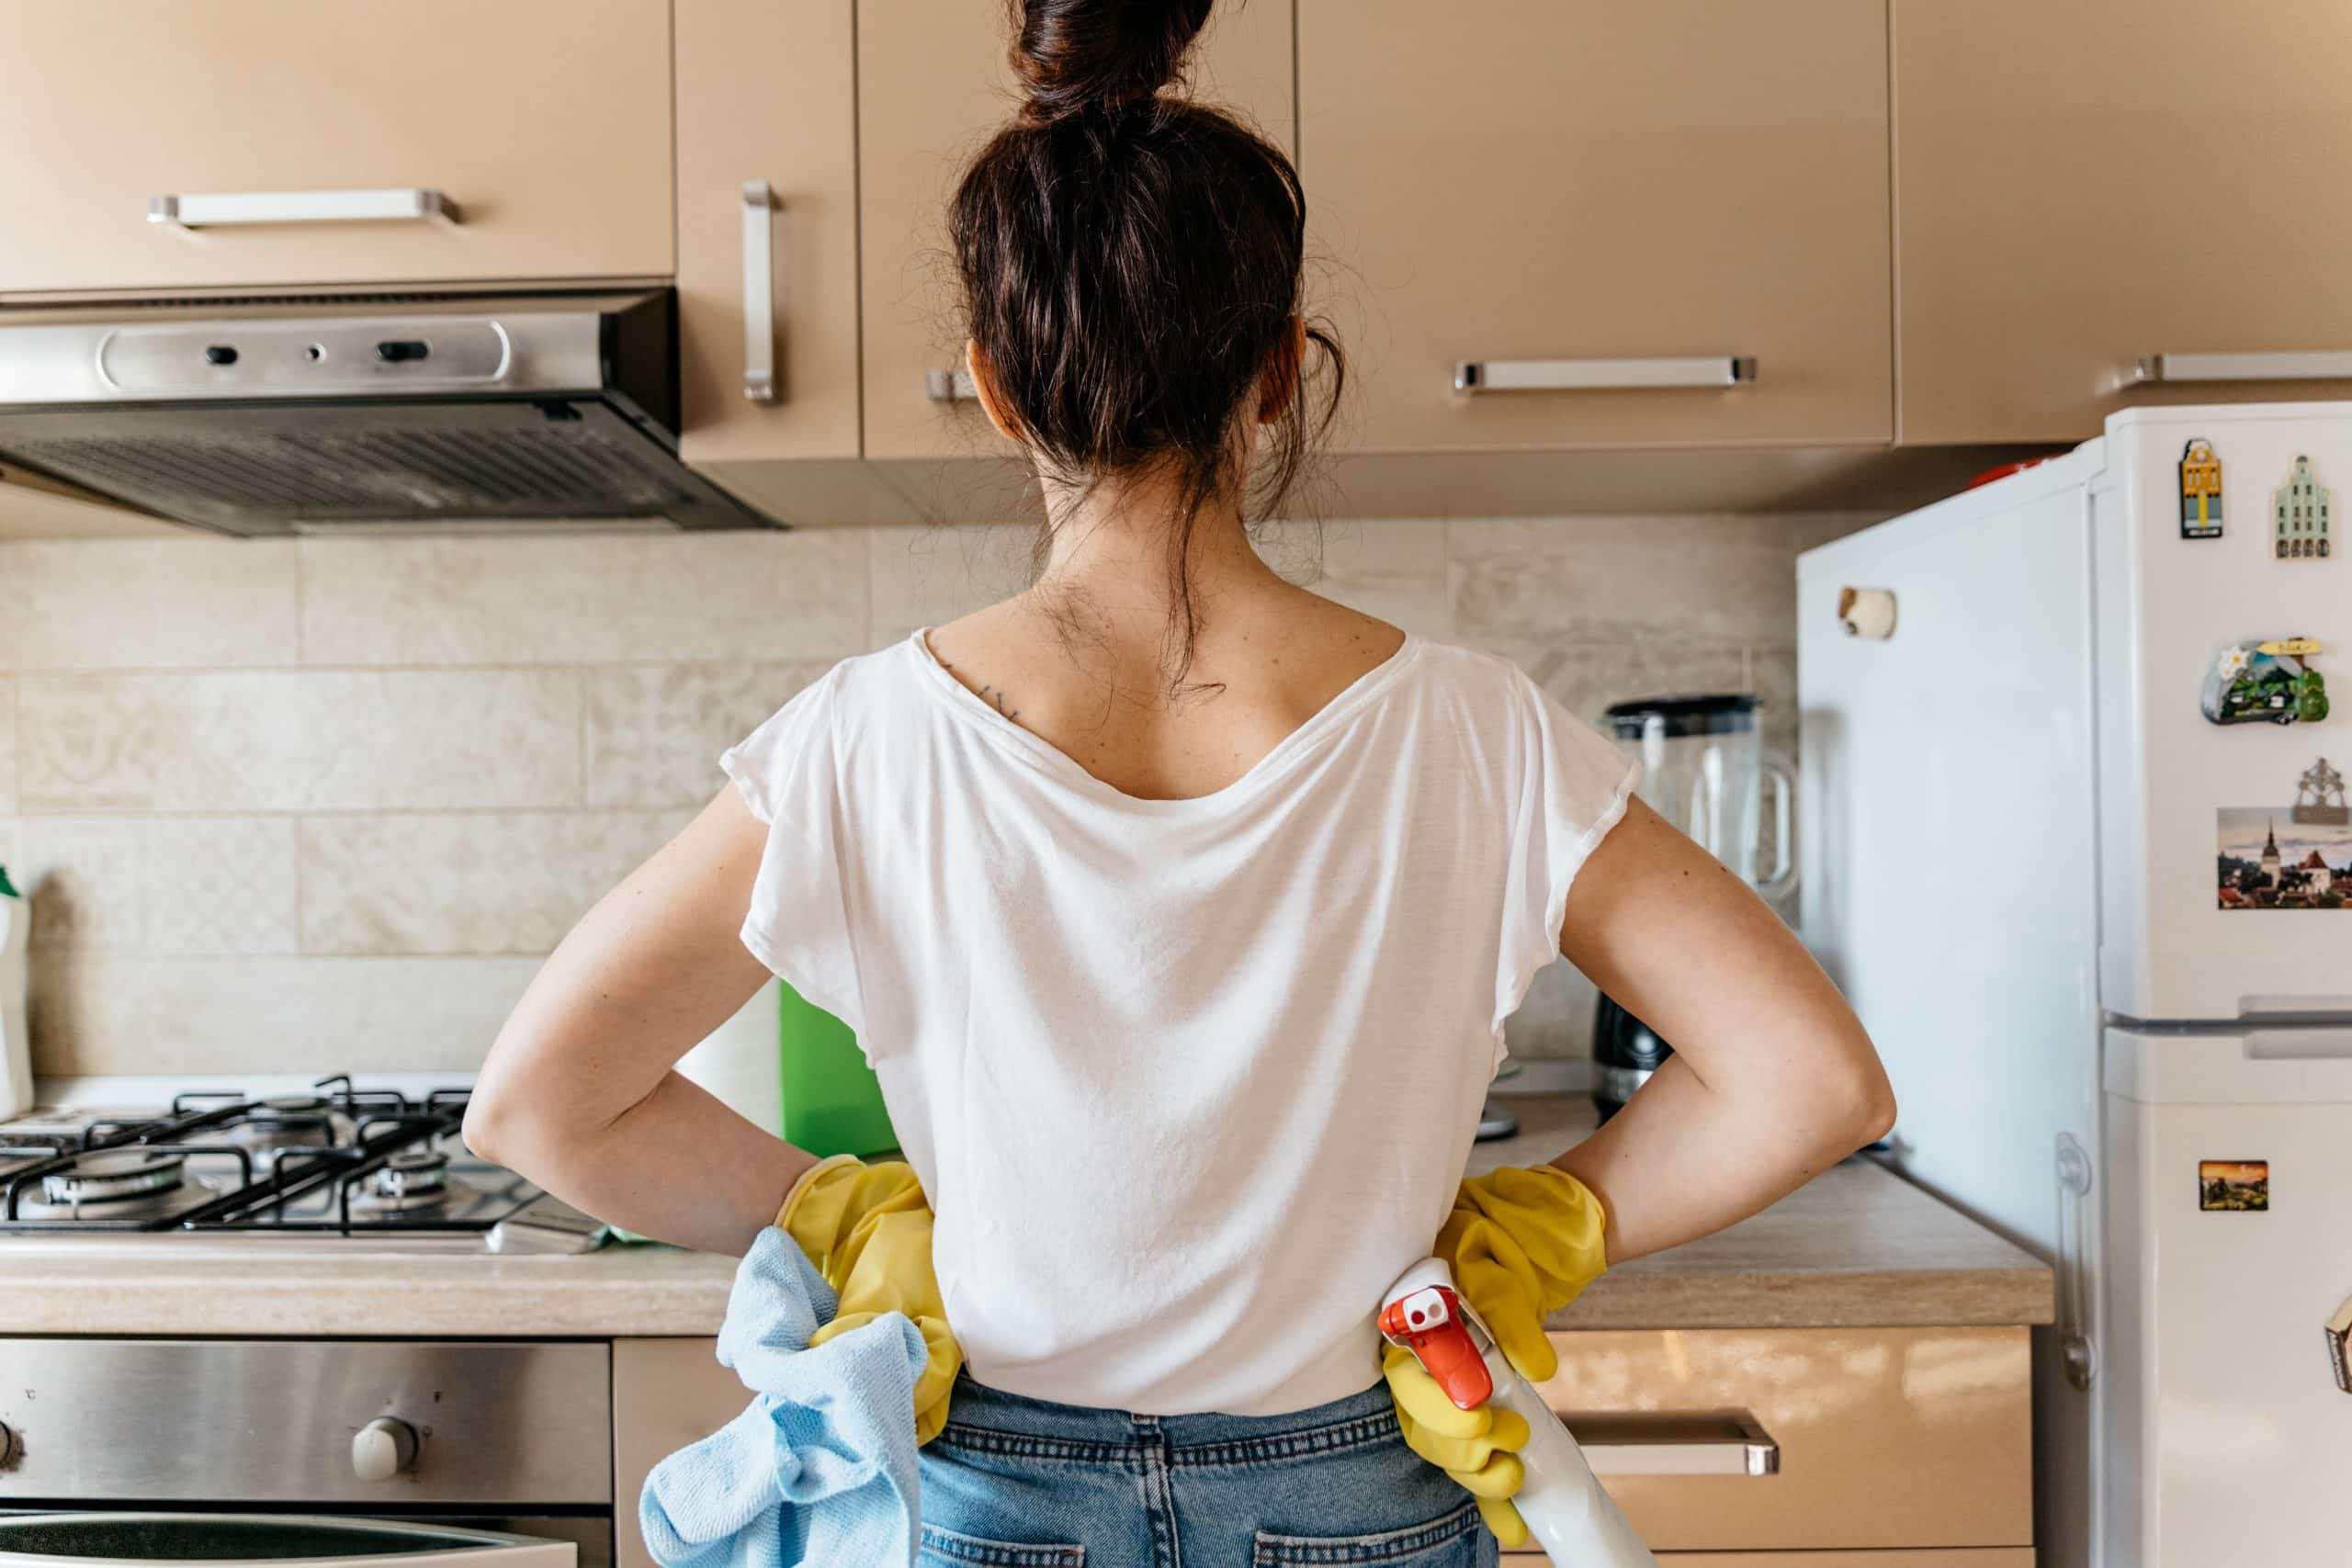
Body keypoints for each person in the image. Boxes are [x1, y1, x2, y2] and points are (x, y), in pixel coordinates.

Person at [464, 1, 1895, 1562]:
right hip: (1357, 1499)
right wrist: (1551, 1224)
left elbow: (544, 1106)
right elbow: (1814, 1084)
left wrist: (839, 1209)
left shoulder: (866, 738)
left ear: (993, 388)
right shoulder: (1476, 731)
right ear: (1281, 372)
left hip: (996, 1498)